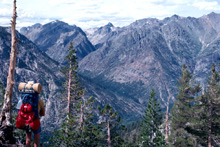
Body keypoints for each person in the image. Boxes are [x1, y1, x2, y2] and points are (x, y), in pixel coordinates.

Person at [25, 81, 45, 147]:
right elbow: (43, 112)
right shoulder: (38, 99)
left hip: (26, 121)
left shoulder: (24, 98)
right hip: (35, 120)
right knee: (36, 140)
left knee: (28, 139)